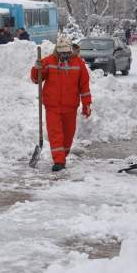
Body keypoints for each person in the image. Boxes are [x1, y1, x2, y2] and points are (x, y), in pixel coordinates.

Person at [30, 37, 92, 172]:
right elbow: (36, 79)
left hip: (70, 106)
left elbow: (84, 87)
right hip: (52, 106)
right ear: (57, 51)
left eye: (66, 53)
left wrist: (86, 104)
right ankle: (58, 160)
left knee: (68, 135)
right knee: (55, 134)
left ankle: (63, 155)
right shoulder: (48, 61)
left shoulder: (79, 64)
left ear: (71, 50)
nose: (63, 55)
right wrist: (36, 68)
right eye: (60, 52)